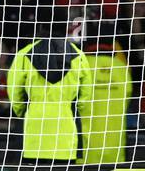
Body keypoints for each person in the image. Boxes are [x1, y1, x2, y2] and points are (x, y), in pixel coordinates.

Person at [7, 32, 91, 161]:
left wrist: (24, 112)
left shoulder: (24, 54)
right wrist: (72, 109)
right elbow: (85, 96)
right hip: (66, 132)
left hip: (33, 132)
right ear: (66, 27)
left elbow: (14, 93)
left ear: (40, 26)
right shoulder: (78, 56)